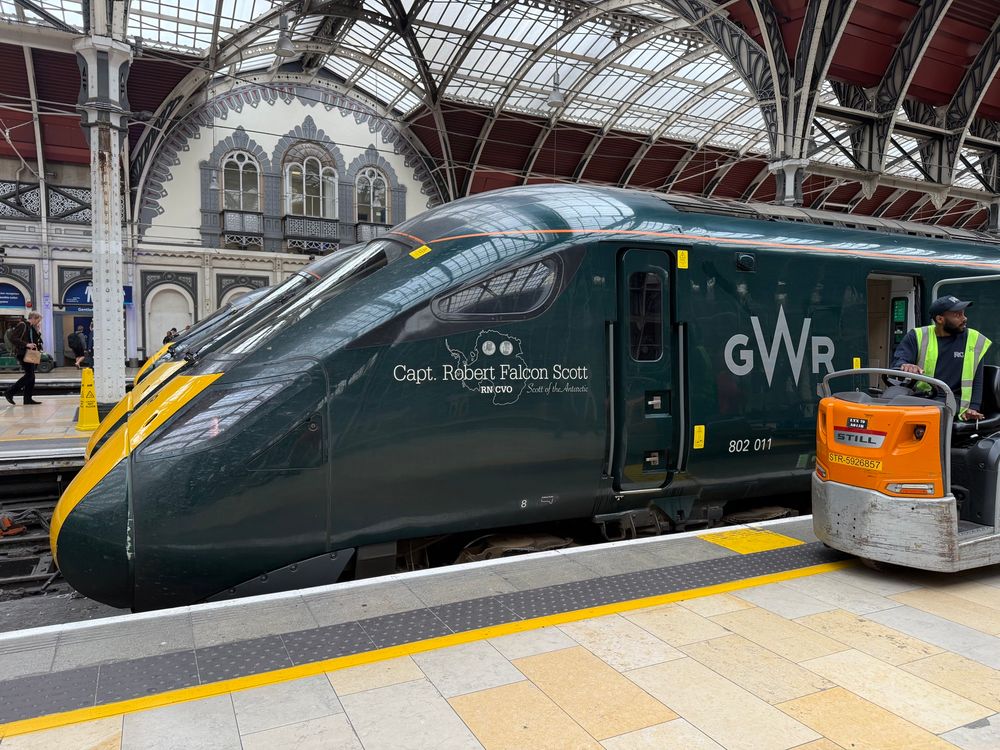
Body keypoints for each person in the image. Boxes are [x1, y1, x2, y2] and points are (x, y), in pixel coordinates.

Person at [891, 295, 991, 422]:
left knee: (929, 411)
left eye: (963, 313)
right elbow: (899, 362)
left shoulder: (974, 340)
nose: (964, 318)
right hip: (921, 397)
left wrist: (973, 407)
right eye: (957, 315)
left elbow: (977, 379)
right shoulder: (917, 336)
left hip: (953, 400)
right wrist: (905, 366)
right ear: (940, 319)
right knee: (890, 399)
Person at [4, 311, 43, 406]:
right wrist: (26, 344)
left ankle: (27, 399)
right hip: (22, 353)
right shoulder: (22, 325)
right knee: (29, 375)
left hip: (29, 353)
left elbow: (36, 340)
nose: (38, 322)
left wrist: (37, 331)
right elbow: (13, 338)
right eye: (38, 320)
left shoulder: (31, 327)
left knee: (31, 376)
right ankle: (9, 392)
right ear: (33, 318)